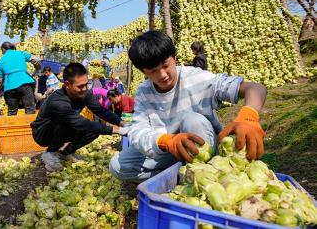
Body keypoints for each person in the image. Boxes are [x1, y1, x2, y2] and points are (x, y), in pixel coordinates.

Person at [109, 31, 267, 182]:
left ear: (174, 58)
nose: (163, 75)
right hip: (171, 147)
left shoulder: (197, 78)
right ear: (144, 71)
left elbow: (255, 88)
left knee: (192, 120)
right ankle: (183, 176)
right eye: (153, 71)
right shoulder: (144, 92)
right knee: (118, 166)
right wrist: (166, 141)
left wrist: (249, 115)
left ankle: (207, 173)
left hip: (204, 145)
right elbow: (137, 130)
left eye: (165, 65)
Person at [31, 63, 126, 171]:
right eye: (80, 86)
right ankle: (50, 153)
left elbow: (101, 111)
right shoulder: (57, 101)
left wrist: (121, 123)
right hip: (42, 132)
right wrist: (116, 130)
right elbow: (81, 123)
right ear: (67, 84)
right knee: (71, 121)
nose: (85, 89)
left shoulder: (85, 93)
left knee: (94, 130)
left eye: (86, 84)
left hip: (66, 127)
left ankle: (65, 153)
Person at [0, 42, 41, 116]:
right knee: (29, 109)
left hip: (9, 88)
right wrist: (37, 69)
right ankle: (29, 127)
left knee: (12, 112)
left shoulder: (0, 62)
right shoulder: (21, 53)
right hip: (25, 84)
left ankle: (13, 126)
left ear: (3, 49)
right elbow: (36, 59)